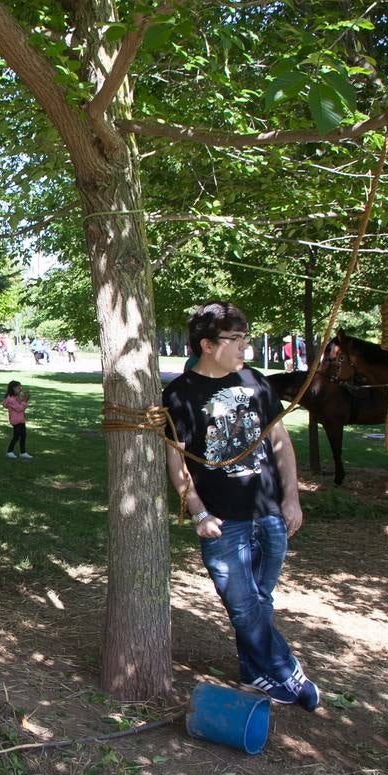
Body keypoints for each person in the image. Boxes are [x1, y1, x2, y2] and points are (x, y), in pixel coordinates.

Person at [163, 300, 318, 710]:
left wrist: (291, 498)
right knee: (245, 607)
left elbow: (280, 443)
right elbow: (175, 457)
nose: (245, 348)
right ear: (207, 344)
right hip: (222, 520)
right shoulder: (180, 394)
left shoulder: (257, 381)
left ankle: (256, 674)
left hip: (268, 513)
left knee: (260, 603)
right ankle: (288, 674)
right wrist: (196, 510)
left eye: (245, 338)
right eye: (237, 340)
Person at [2, 380, 31, 459]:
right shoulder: (11, 399)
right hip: (16, 421)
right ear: (13, 388)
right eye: (19, 388)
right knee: (16, 436)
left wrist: (24, 398)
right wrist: (25, 401)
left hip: (21, 420)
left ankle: (23, 452)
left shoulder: (16, 397)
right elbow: (19, 408)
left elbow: (20, 405)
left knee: (23, 435)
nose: (20, 389)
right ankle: (9, 451)